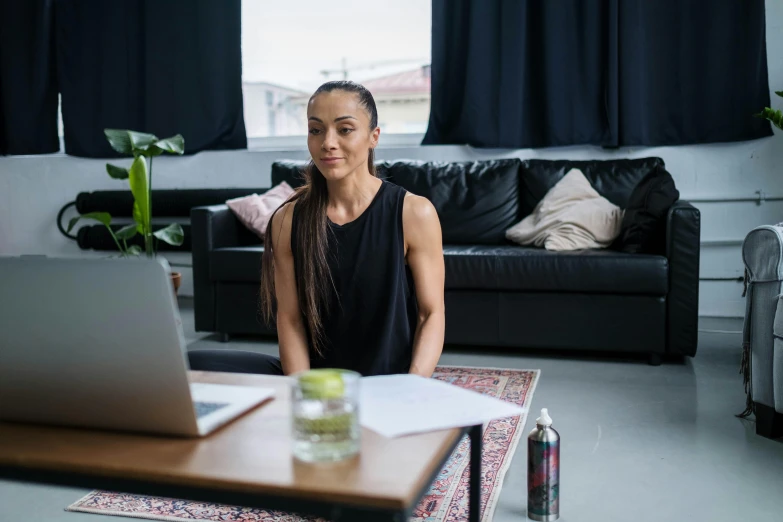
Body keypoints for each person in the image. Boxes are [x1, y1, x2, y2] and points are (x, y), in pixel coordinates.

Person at [188, 81, 445, 378]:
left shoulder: (414, 212)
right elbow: (291, 319)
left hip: (390, 386)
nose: (327, 143)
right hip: (317, 386)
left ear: (373, 136)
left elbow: (431, 314)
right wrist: (304, 395)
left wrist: (412, 387)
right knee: (188, 364)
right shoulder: (287, 220)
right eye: (316, 129)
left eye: (345, 129)